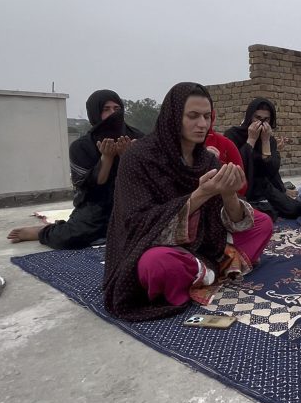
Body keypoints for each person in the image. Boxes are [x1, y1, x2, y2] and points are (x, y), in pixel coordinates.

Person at [103, 83, 273, 321]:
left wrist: (229, 194)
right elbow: (136, 223)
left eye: (206, 116)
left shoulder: (206, 159)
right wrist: (200, 194)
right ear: (173, 117)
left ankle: (202, 270)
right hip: (156, 245)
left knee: (263, 222)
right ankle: (212, 271)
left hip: (205, 242)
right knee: (156, 265)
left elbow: (234, 217)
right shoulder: (138, 157)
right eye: (193, 116)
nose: (202, 124)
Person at [7, 90, 143, 249]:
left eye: (116, 108)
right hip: (96, 206)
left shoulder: (138, 138)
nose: (113, 113)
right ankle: (43, 232)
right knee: (71, 237)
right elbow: (92, 188)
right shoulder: (81, 146)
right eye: (106, 109)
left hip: (132, 202)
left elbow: (148, 180)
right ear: (95, 113)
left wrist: (127, 158)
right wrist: (107, 158)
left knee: (151, 229)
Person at [224, 98, 301, 220]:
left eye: (266, 119)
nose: (261, 123)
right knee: (260, 213)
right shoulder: (233, 134)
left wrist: (265, 142)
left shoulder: (269, 140)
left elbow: (271, 171)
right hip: (241, 187)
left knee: (296, 208)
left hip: (263, 186)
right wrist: (251, 140)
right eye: (257, 118)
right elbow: (237, 166)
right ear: (250, 117)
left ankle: (262, 209)